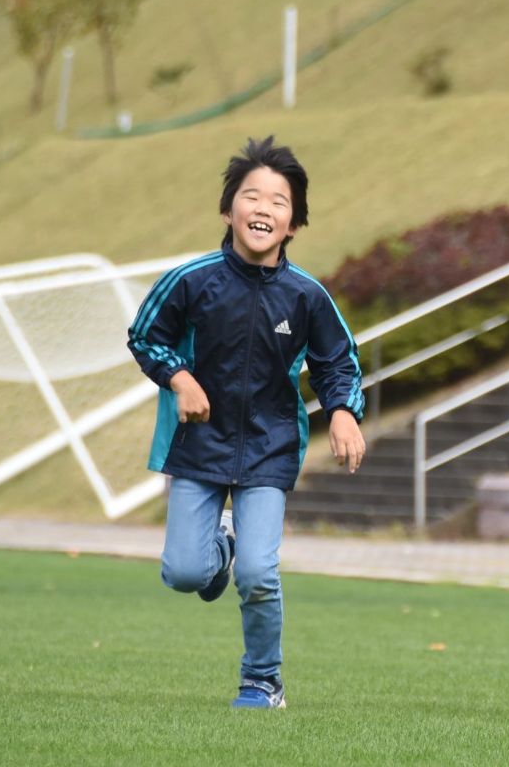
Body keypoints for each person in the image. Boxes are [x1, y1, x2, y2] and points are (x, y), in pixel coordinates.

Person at [128, 135, 366, 711]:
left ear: (293, 225)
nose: (263, 208)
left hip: (270, 447)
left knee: (260, 574)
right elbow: (145, 336)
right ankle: (222, 547)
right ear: (228, 209)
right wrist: (181, 380)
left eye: (279, 202)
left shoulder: (307, 295)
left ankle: (262, 680)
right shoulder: (192, 280)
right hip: (198, 445)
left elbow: (339, 360)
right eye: (251, 195)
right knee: (185, 572)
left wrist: (342, 411)